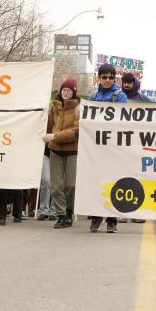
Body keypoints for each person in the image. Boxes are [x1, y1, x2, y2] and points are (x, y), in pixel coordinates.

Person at [87, 63, 128, 233]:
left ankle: (112, 219)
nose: (108, 80)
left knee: (113, 182)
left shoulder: (120, 96)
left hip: (114, 147)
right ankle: (97, 216)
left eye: (111, 77)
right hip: (96, 147)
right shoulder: (93, 96)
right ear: (99, 78)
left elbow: (126, 120)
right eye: (104, 77)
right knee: (97, 182)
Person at [43, 78, 80, 229]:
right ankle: (61, 215)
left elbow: (76, 131)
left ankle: (69, 211)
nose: (65, 92)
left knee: (71, 185)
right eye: (64, 90)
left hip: (73, 150)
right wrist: (43, 114)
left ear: (74, 92)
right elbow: (48, 126)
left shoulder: (79, 109)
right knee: (56, 186)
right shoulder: (54, 107)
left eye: (69, 90)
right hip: (55, 150)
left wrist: (55, 136)